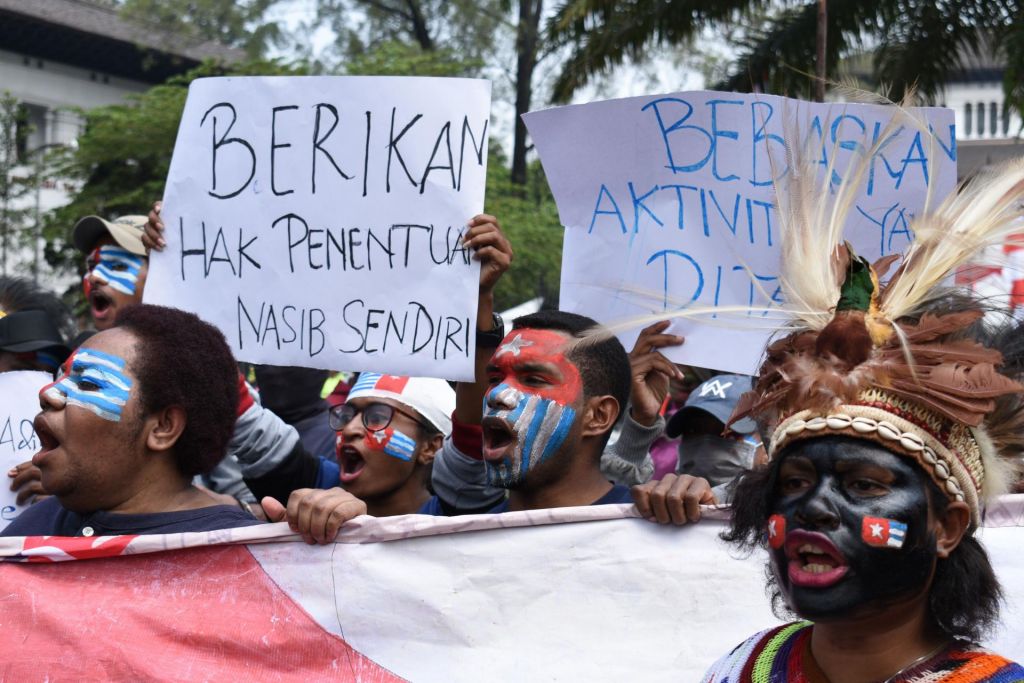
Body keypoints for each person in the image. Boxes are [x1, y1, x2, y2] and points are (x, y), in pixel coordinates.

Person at [701, 156, 1024, 679]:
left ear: (947, 527)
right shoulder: (742, 670)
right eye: (796, 482)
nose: (815, 508)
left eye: (866, 485)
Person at [267, 309, 716, 542]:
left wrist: (699, 518)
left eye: (535, 379)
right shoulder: (447, 537)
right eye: (497, 377)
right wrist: (326, 532)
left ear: (598, 416)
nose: (499, 394)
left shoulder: (654, 525)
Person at [2, 304, 261, 536]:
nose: (48, 394)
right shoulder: (32, 528)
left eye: (89, 384)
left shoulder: (242, 558)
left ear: (163, 427)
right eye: (62, 378)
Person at [245, 372, 455, 520]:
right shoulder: (322, 484)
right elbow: (251, 427)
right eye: (348, 415)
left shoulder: (452, 521)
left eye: (377, 417)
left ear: (430, 447)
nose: (349, 429)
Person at [72, 214, 149, 330]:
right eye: (91, 266)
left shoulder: (182, 347)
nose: (93, 277)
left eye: (117, 266)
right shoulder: (84, 347)